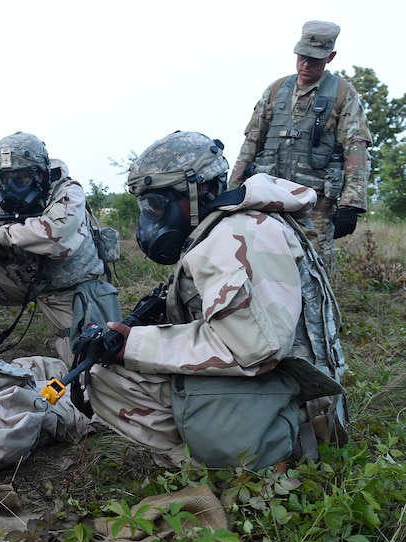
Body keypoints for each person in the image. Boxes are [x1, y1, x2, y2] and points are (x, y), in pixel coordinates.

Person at [86, 131, 347, 470]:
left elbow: (256, 347)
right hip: (306, 399)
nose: (150, 218)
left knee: (103, 375)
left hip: (298, 415)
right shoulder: (244, 222)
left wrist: (133, 346)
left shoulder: (231, 235)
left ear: (202, 191)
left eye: (156, 205)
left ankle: (226, 469)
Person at [0, 131, 122, 368]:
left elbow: (55, 235)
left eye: (20, 178)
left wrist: (1, 234)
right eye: (5, 178)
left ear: (40, 174)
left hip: (70, 290)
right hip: (26, 279)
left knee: (94, 364)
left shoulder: (68, 191)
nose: (10, 187)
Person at [228, 20, 372, 277]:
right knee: (260, 265)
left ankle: (316, 318)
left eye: (314, 60)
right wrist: (232, 191)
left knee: (313, 270)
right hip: (268, 197)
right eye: (302, 57)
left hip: (314, 204)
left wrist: (351, 205)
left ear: (330, 57)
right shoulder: (275, 91)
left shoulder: (343, 94)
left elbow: (356, 149)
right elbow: (251, 142)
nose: (305, 65)